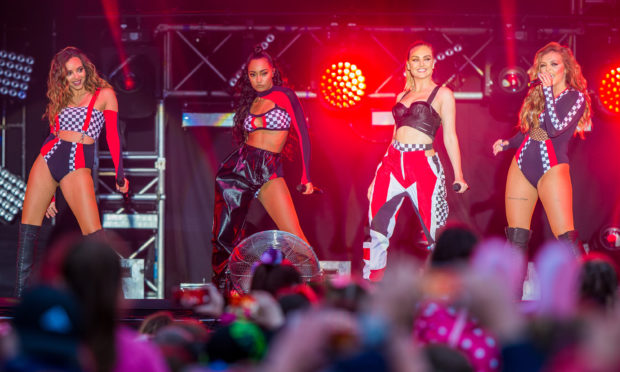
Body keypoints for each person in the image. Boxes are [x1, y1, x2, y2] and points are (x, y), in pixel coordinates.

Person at [15, 46, 128, 297]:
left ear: (86, 69)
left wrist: (120, 174)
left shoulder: (105, 94)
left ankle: (105, 300)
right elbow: (52, 135)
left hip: (77, 160)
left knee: (93, 235)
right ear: (62, 76)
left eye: (79, 70)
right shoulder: (62, 96)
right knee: (28, 231)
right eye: (69, 73)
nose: (76, 77)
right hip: (48, 156)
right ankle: (21, 301)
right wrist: (50, 193)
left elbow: (112, 136)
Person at [363, 41, 468, 281]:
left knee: (432, 232)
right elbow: (393, 136)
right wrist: (376, 176)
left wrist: (459, 174)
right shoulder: (401, 94)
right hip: (392, 163)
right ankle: (371, 284)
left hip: (423, 164)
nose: (421, 64)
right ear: (408, 65)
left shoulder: (443, 94)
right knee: (377, 227)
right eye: (416, 60)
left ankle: (438, 287)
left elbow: (450, 135)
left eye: (426, 59)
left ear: (433, 63)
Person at [211, 48, 314, 288]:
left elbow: (303, 135)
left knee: (293, 234)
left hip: (268, 168)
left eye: (263, 73)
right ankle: (226, 292)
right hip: (237, 168)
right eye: (253, 74)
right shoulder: (252, 101)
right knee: (224, 237)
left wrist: (306, 175)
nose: (258, 79)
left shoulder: (285, 95)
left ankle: (312, 287)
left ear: (273, 73)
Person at [492, 42, 591, 257]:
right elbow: (530, 133)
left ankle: (589, 288)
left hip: (552, 168)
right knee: (516, 237)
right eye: (543, 66)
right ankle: (513, 291)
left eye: (553, 64)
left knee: (564, 236)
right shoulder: (539, 98)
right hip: (521, 164)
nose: (547, 70)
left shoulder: (576, 97)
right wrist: (507, 143)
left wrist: (547, 91)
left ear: (566, 67)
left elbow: (554, 129)